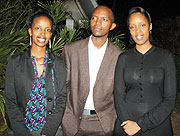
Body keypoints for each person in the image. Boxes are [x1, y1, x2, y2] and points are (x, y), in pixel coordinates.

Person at [113, 6, 177, 136]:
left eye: (142, 25)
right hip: (126, 124)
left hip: (158, 125)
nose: (138, 31)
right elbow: (118, 95)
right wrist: (127, 123)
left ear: (150, 26)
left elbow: (170, 99)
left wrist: (140, 125)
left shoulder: (165, 57)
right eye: (132, 27)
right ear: (129, 30)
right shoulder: (123, 58)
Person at [61, 5, 123, 136]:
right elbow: (63, 86)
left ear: (112, 26)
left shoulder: (120, 56)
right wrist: (65, 114)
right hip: (73, 122)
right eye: (94, 18)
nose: (97, 23)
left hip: (103, 124)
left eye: (104, 19)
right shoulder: (71, 50)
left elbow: (121, 92)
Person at [5, 12, 67, 136]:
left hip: (50, 129)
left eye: (47, 29)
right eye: (38, 28)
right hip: (20, 128)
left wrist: (47, 132)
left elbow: (61, 99)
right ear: (30, 31)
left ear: (51, 34)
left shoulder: (58, 63)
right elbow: (10, 100)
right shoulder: (15, 62)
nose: (42, 34)